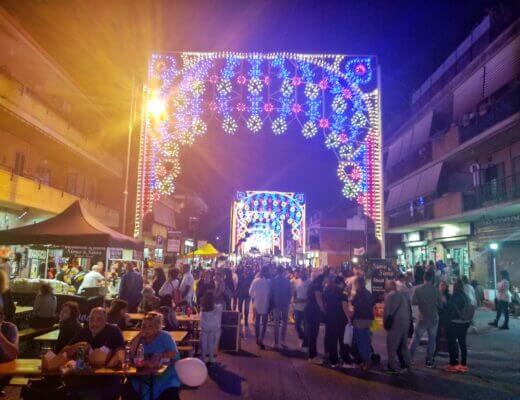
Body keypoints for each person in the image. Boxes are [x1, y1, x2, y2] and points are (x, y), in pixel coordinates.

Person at [61, 308, 125, 400]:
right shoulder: (84, 331)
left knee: (91, 395)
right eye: (91, 319)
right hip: (82, 378)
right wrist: (77, 346)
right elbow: (64, 352)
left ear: (106, 320)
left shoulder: (113, 331)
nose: (94, 323)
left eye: (99, 319)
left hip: (105, 380)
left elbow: (121, 355)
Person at [124, 312, 181, 400]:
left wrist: (160, 355)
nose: (145, 329)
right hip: (142, 374)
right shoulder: (140, 338)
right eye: (143, 326)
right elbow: (130, 353)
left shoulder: (164, 336)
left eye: (150, 326)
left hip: (163, 376)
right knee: (127, 388)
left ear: (157, 328)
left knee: (169, 393)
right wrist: (138, 336)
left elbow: (174, 353)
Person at [409, 269, 441, 368]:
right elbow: (440, 305)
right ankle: (429, 360)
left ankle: (410, 359)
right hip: (433, 317)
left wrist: (421, 303)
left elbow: (413, 302)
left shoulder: (418, 289)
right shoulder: (436, 290)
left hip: (422, 317)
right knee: (432, 340)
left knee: (416, 339)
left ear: (424, 278)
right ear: (432, 279)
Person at [383, 280, 411, 373]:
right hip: (405, 322)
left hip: (395, 324)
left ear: (390, 287)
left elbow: (387, 312)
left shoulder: (389, 296)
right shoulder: (402, 296)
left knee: (391, 346)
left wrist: (385, 324)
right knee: (403, 345)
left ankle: (393, 367)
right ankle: (407, 364)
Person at [444, 279, 471, 373]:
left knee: (452, 343)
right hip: (465, 322)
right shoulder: (466, 296)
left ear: (455, 287)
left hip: (454, 322)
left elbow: (449, 309)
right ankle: (463, 364)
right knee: (462, 343)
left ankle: (453, 364)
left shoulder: (454, 297)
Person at [347, 276, 374, 371]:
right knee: (367, 340)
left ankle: (366, 361)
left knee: (361, 341)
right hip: (369, 319)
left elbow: (355, 305)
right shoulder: (368, 293)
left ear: (358, 284)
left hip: (360, 320)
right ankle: (367, 360)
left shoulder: (359, 294)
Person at [324, 276, 351, 368]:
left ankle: (333, 362)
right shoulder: (342, 294)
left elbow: (325, 305)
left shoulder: (328, 292)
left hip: (330, 319)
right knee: (343, 341)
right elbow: (344, 308)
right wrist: (349, 319)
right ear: (340, 283)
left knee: (332, 341)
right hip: (340, 320)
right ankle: (345, 361)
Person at [305, 273, 326, 363]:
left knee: (311, 333)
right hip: (314, 311)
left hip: (309, 309)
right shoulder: (317, 287)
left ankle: (311, 355)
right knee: (313, 334)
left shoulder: (311, 285)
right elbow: (319, 300)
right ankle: (312, 357)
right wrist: (324, 311)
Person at [249, 266, 271, 350]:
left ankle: (257, 338)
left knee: (257, 321)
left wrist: (255, 296)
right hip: (265, 304)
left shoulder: (255, 281)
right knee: (264, 323)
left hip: (257, 304)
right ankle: (261, 339)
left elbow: (250, 292)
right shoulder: (269, 282)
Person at [271, 266, 292, 349]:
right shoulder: (287, 281)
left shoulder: (274, 281)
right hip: (285, 304)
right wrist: (288, 301)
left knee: (276, 323)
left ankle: (276, 343)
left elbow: (271, 293)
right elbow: (290, 293)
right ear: (283, 271)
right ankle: (283, 340)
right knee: (284, 323)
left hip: (276, 304)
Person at [200, 291, 223, 366]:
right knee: (211, 343)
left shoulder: (202, 306)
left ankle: (203, 359)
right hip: (213, 328)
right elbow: (220, 307)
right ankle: (211, 358)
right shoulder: (216, 307)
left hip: (204, 327)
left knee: (203, 343)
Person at [292, 269, 309, 348]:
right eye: (302, 273)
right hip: (297, 307)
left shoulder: (309, 282)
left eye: (304, 273)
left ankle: (305, 341)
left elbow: (311, 294)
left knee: (306, 325)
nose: (303, 274)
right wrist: (294, 300)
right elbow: (294, 293)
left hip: (306, 307)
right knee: (297, 325)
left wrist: (305, 300)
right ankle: (302, 335)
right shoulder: (296, 281)